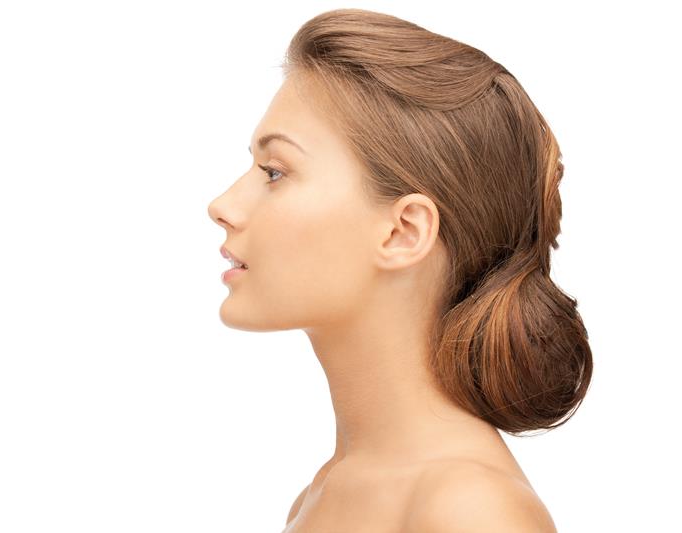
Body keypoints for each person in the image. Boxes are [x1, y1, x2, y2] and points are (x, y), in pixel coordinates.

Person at [207, 8, 592, 532]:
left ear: (403, 232)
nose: (222, 206)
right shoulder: (324, 492)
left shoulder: (472, 511)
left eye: (274, 172)